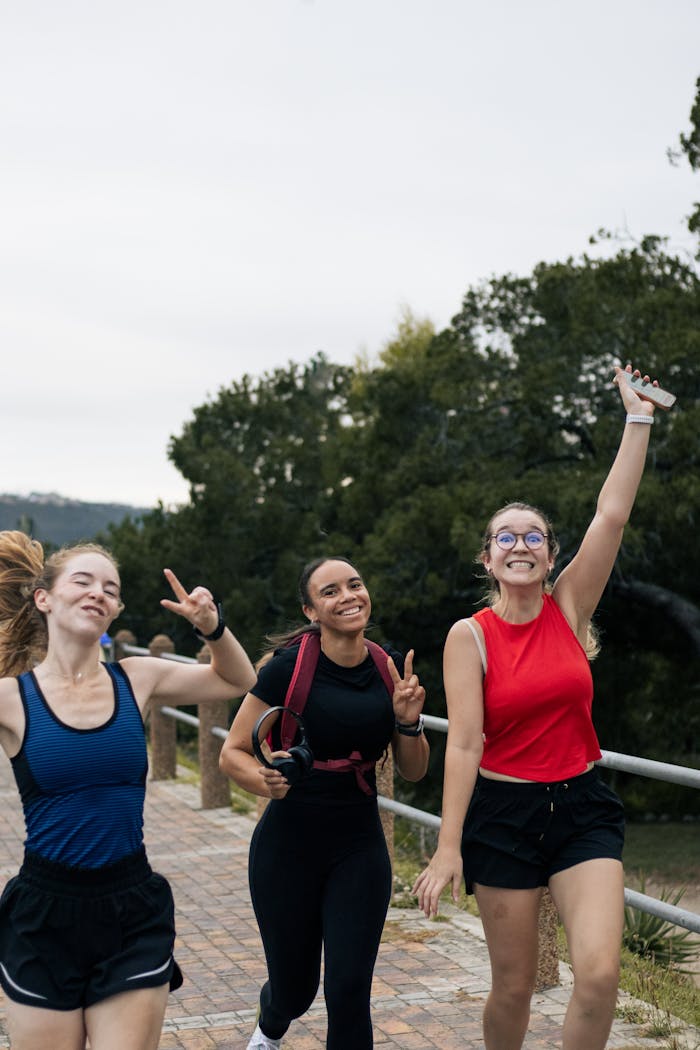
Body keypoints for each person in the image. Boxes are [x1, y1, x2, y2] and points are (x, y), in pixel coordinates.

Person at [413, 365, 663, 1050]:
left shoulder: (569, 606)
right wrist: (447, 846)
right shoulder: (470, 637)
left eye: (534, 536)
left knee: (602, 974)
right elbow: (464, 744)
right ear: (488, 559)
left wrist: (636, 419)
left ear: (550, 556)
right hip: (505, 819)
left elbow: (611, 513)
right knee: (516, 988)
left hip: (582, 807)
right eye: (506, 537)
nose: (520, 544)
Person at [0, 533, 257, 1050]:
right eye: (84, 581)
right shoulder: (10, 698)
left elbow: (236, 678)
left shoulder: (136, 678)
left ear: (115, 610)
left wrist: (212, 627)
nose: (99, 592)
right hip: (41, 919)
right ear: (43, 598)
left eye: (110, 588)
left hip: (131, 911)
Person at [219, 556, 430, 1050]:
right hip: (287, 847)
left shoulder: (388, 667)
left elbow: (414, 769)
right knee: (295, 991)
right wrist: (264, 782)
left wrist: (407, 720)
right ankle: (269, 1028)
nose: (348, 596)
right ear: (311, 610)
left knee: (349, 988)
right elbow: (232, 753)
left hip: (358, 846)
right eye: (331, 591)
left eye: (354, 585)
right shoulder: (288, 669)